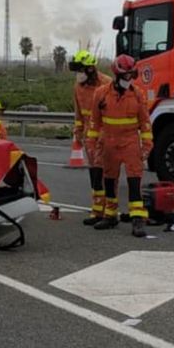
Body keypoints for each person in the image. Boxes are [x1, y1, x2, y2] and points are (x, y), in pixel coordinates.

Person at [90, 55, 152, 237]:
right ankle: (110, 215)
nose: (129, 79)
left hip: (130, 141)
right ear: (117, 76)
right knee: (109, 179)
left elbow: (145, 122)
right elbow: (94, 122)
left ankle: (138, 218)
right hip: (108, 141)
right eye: (126, 76)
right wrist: (93, 146)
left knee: (134, 180)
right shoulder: (101, 94)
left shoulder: (138, 94)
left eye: (131, 75)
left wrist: (147, 145)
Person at [70, 50, 112, 226]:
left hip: (106, 136)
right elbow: (79, 114)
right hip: (90, 137)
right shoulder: (79, 87)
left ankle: (110, 212)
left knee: (108, 174)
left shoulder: (107, 84)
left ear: (89, 69)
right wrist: (78, 133)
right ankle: (97, 211)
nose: (78, 75)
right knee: (94, 175)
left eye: (80, 70)